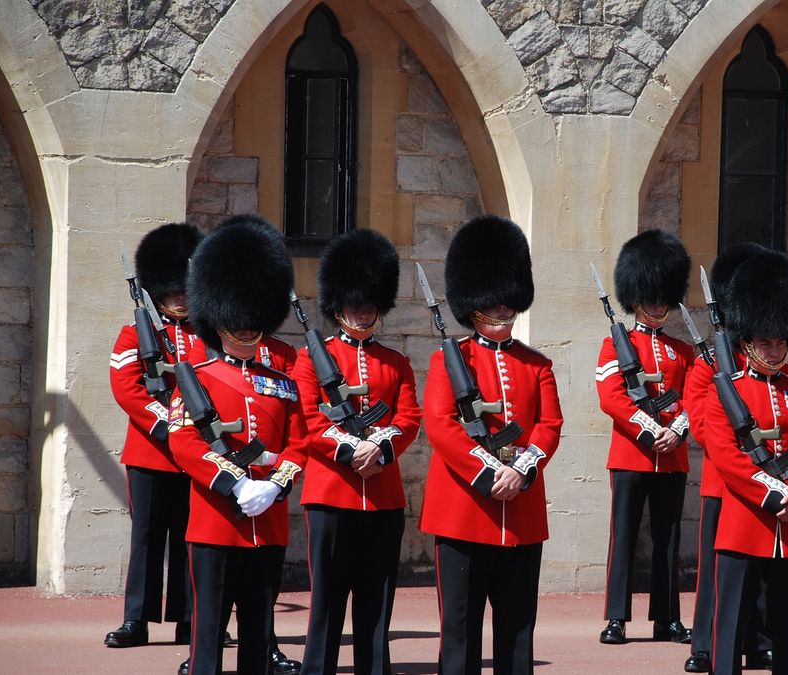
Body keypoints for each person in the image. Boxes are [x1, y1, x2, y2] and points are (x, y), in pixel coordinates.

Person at [419, 215, 564, 675]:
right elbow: (441, 426)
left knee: (518, 632)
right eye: (493, 304)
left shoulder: (536, 364)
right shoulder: (450, 361)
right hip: (464, 510)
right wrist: (488, 471)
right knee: (459, 633)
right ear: (474, 304)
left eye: (508, 303)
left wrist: (521, 470)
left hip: (520, 509)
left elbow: (550, 425)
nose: (503, 311)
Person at [167, 215, 308, 675]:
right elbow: (184, 442)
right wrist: (234, 484)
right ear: (218, 319)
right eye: (237, 324)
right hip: (214, 523)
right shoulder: (199, 382)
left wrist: (277, 485)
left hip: (266, 522)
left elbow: (300, 443)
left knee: (258, 631)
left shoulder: (281, 384)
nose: (247, 332)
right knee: (208, 633)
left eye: (253, 324)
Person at [293, 228, 423, 675]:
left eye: (369, 304)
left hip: (383, 497)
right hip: (331, 494)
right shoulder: (311, 360)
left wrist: (380, 448)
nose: (362, 311)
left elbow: (409, 419)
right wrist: (351, 451)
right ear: (338, 305)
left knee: (376, 602)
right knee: (327, 601)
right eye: (354, 304)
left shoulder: (396, 363)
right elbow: (309, 420)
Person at [702, 250, 788, 675]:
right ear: (747, 341)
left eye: (780, 341)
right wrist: (777, 494)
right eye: (765, 342)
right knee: (731, 630)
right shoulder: (726, 393)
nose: (774, 350)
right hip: (744, 524)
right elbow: (726, 458)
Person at [106, 223, 204, 649]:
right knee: (147, 536)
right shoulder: (135, 333)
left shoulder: (207, 333)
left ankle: (189, 618)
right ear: (158, 291)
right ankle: (137, 620)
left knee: (191, 535)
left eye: (185, 290)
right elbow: (125, 385)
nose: (180, 298)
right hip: (151, 451)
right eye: (172, 291)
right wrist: (165, 422)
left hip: (197, 452)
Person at [596, 230, 694, 647]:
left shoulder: (682, 351)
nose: (658, 305)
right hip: (632, 455)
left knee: (668, 538)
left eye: (663, 297)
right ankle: (616, 617)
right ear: (636, 299)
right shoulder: (614, 345)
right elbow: (611, 396)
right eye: (651, 297)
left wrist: (678, 429)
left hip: (671, 457)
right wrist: (650, 428)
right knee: (624, 535)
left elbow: (698, 399)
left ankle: (667, 618)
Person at [683, 242, 773, 673]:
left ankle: (756, 640)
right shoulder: (709, 365)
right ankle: (705, 643)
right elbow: (700, 422)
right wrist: (738, 451)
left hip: (766, 480)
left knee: (758, 570)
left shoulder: (772, 367)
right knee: (715, 569)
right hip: (723, 481)